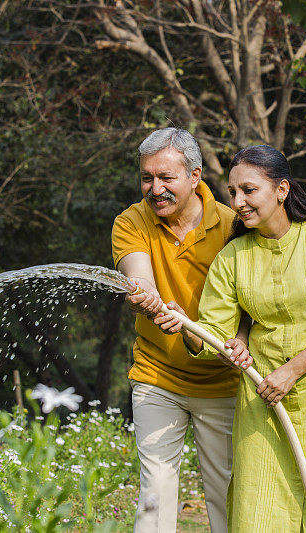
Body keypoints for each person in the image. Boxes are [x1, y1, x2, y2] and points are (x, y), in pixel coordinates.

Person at [154, 145, 306, 532]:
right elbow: (214, 332)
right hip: (264, 396)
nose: (238, 202)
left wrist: (293, 370)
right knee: (261, 506)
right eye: (233, 193)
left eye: (249, 190)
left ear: (282, 190)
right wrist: (191, 329)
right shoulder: (233, 256)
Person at [111, 127, 248, 533]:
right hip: (158, 376)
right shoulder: (132, 221)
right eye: (147, 178)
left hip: (221, 381)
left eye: (166, 178)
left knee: (226, 492)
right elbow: (138, 275)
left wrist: (240, 341)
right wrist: (148, 297)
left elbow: (250, 303)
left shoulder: (232, 226)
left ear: (195, 176)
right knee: (156, 489)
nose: (156, 189)